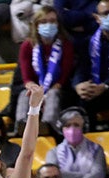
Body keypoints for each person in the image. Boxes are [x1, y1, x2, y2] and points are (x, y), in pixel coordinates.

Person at [15, 6, 75, 134]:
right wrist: (34, 88)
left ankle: (48, 126)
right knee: (25, 95)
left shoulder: (66, 44)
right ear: (36, 25)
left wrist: (48, 91)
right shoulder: (27, 45)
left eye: (52, 21)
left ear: (58, 24)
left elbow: (64, 76)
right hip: (36, 87)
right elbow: (27, 77)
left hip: (58, 88)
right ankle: (22, 125)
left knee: (53, 95)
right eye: (43, 22)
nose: (49, 24)